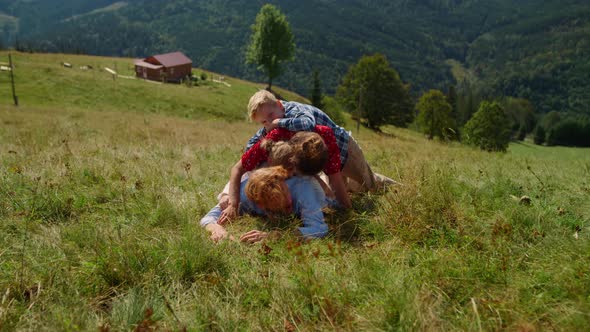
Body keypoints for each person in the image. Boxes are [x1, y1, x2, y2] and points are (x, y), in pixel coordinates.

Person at [219, 90, 395, 223]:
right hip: (318, 158)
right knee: (339, 191)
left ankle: (397, 188)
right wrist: (229, 198)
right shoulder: (272, 134)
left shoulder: (296, 114)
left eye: (271, 116)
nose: (269, 123)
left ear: (280, 105)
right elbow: (246, 157)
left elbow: (307, 123)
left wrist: (277, 122)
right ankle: (348, 199)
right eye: (264, 121)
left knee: (367, 184)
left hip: (344, 148)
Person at [200, 166, 330, 243]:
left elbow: (320, 229)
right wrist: (217, 229)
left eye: (285, 194)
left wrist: (275, 235)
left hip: (322, 189)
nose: (288, 202)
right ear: (260, 204)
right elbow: (208, 218)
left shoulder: (305, 190)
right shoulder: (245, 194)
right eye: (277, 205)